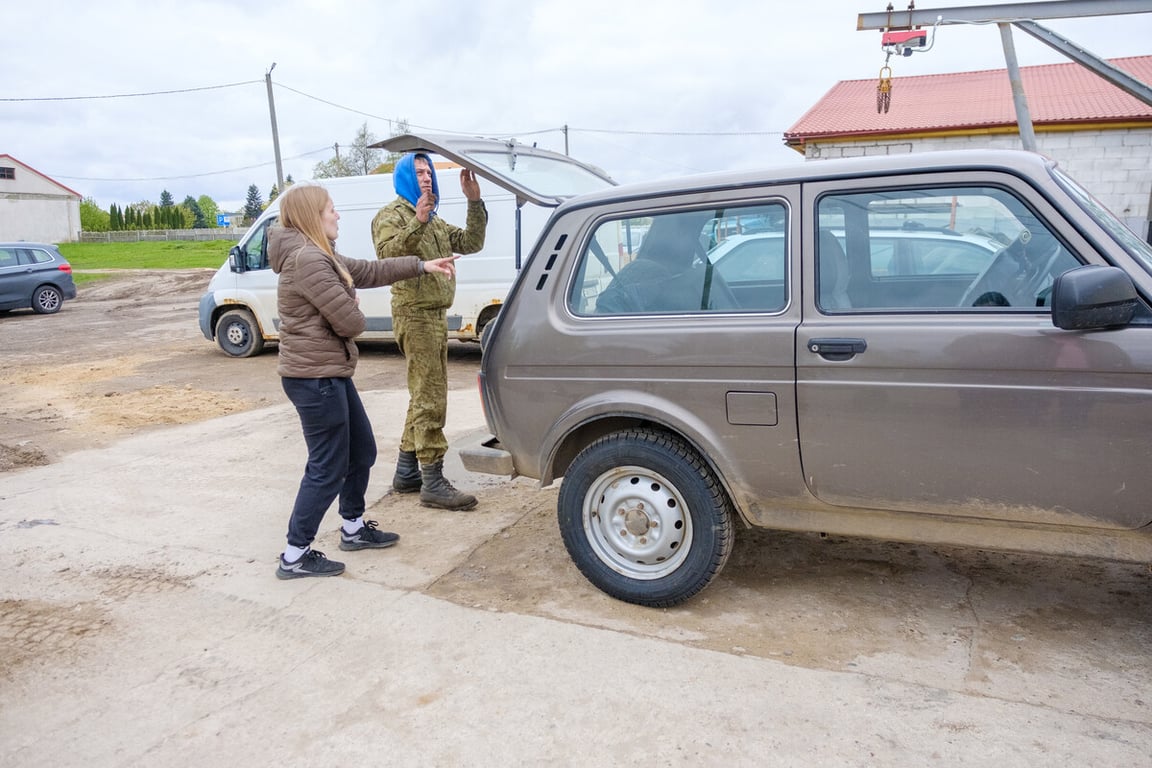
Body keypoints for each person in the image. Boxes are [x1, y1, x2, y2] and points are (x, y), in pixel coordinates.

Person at [269, 183, 460, 579]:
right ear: (311, 217)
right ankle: (295, 554)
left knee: (362, 453)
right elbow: (353, 323)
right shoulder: (308, 260)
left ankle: (353, 528)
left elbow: (370, 270)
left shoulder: (323, 255)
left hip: (327, 373)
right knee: (326, 467)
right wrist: (352, 301)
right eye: (331, 210)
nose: (337, 215)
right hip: (314, 378)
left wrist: (422, 265)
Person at [371, 153, 488, 511]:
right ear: (405, 177)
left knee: (423, 394)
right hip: (414, 315)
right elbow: (386, 257)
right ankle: (433, 481)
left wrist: (474, 202)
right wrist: (417, 222)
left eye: (429, 172)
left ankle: (407, 472)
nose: (426, 178)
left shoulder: (435, 221)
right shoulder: (391, 216)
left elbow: (471, 242)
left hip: (436, 316)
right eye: (418, 172)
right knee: (431, 397)